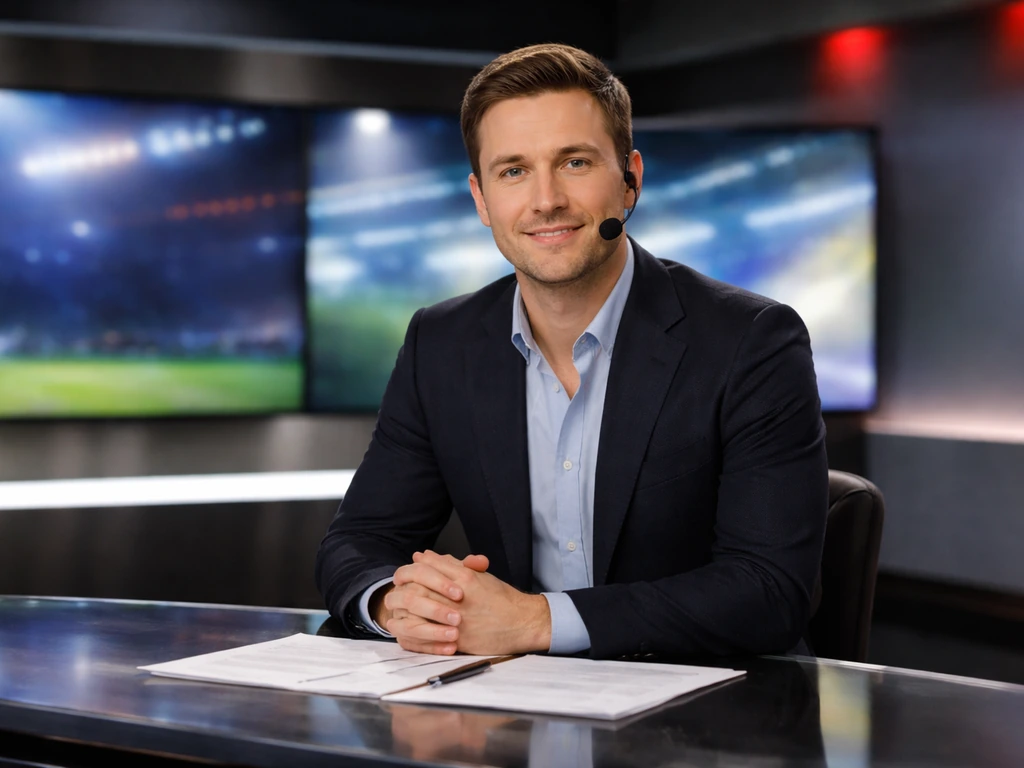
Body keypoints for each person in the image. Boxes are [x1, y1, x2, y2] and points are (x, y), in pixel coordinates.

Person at [315, 43, 828, 660]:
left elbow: (769, 590)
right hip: (514, 716)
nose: (546, 200)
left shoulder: (752, 340)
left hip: (711, 726)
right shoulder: (440, 343)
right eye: (513, 171)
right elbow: (361, 541)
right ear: (481, 200)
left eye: (575, 162)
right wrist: (395, 604)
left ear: (630, 178)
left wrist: (536, 623)